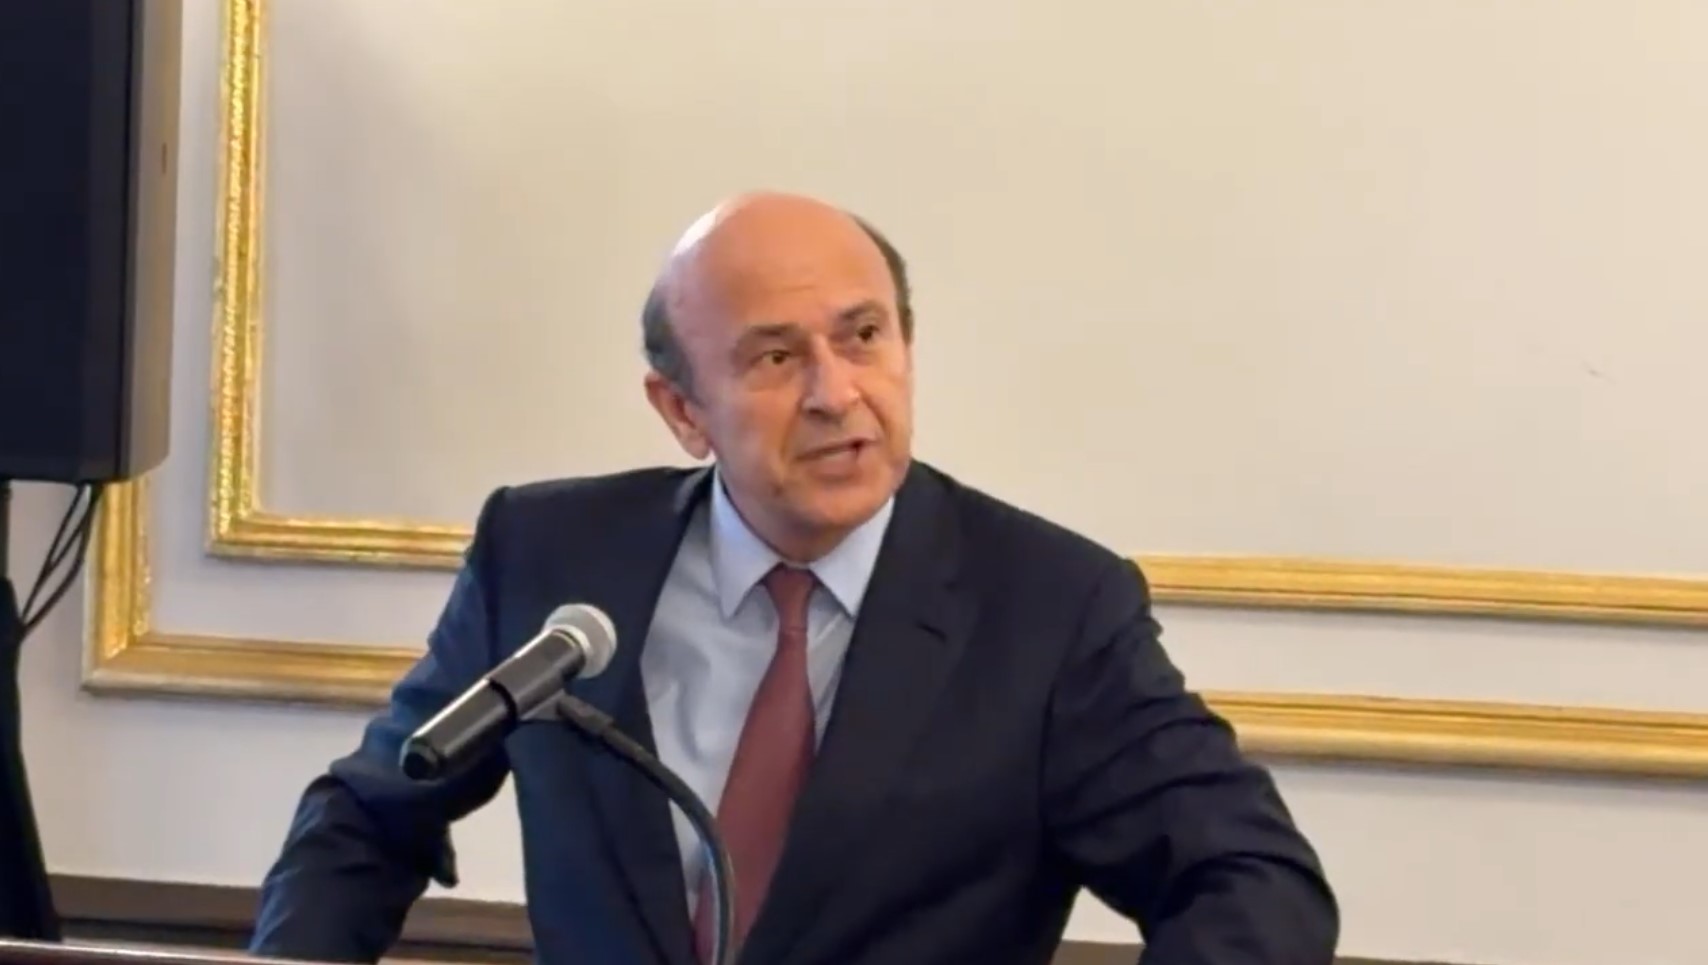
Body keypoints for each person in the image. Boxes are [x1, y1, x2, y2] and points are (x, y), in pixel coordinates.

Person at [248, 191, 1338, 964]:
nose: (835, 393)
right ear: (683, 410)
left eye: (863, 337)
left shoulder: (1049, 609)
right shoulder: (548, 556)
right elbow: (368, 815)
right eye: (774, 357)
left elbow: (1251, 880)